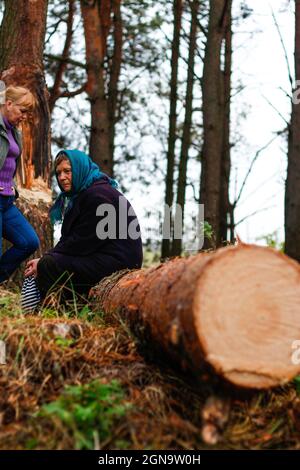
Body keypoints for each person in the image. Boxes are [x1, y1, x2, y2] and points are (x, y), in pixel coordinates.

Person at [22, 149, 143, 311]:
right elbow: (77, 240)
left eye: (67, 171)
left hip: (118, 264)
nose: (62, 177)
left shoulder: (98, 195)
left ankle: (58, 311)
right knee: (51, 262)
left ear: (79, 169)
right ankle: (66, 307)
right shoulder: (88, 193)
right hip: (107, 256)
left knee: (49, 265)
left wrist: (46, 259)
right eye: (58, 173)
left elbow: (83, 242)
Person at [0, 85, 39, 283]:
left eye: (27, 112)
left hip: (6, 202)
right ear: (8, 104)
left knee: (29, 242)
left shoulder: (14, 132)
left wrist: (13, 186)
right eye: (22, 111)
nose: (24, 116)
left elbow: (9, 163)